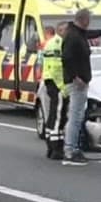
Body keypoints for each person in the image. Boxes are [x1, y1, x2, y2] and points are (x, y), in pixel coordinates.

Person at [60, 8, 94, 166]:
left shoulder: (76, 33)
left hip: (79, 80)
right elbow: (66, 58)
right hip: (77, 82)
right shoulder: (73, 36)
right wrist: (76, 76)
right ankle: (70, 149)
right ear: (85, 20)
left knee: (77, 115)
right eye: (89, 20)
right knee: (75, 116)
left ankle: (73, 147)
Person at [38, 24, 65, 160]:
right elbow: (57, 66)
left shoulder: (47, 44)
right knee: (58, 116)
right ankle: (56, 148)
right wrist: (62, 86)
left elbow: (43, 64)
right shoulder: (59, 44)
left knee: (51, 115)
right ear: (60, 31)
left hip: (47, 80)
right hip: (56, 83)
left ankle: (50, 145)